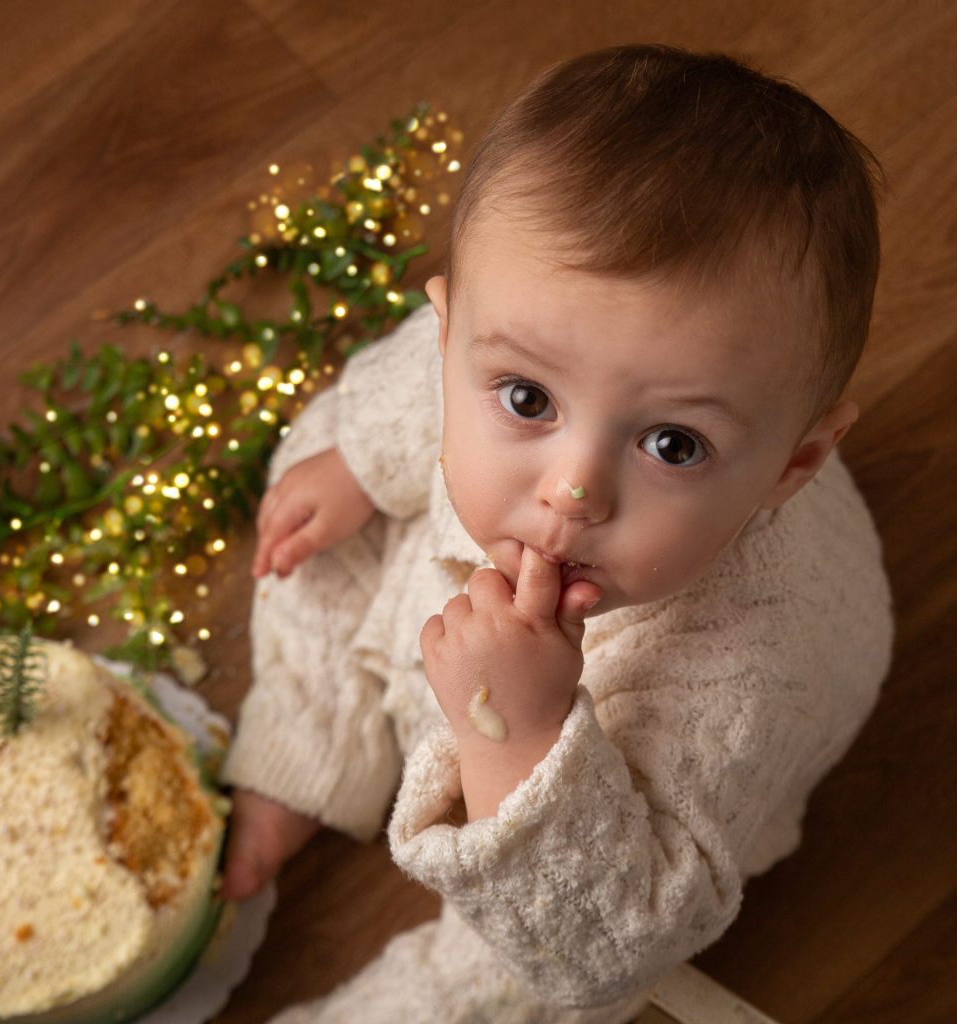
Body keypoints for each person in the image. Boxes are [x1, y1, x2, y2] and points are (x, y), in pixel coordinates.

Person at [217, 43, 893, 1023]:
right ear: (452, 332)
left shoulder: (744, 673)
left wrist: (521, 735)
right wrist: (359, 458)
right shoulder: (518, 329)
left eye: (672, 443)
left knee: (526, 978)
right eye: (528, 398)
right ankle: (307, 750)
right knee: (317, 526)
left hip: (599, 809)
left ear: (793, 464)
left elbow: (617, 937)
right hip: (453, 604)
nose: (572, 491)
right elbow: (419, 378)